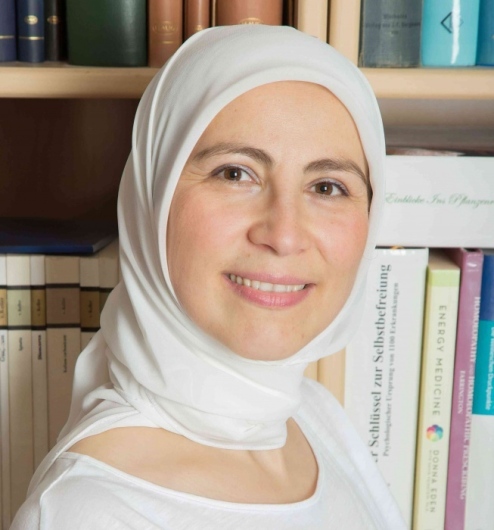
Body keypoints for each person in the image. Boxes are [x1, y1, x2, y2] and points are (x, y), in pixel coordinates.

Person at [12, 25, 406, 529]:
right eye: (235, 173)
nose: (284, 235)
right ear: (152, 199)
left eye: (327, 186)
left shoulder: (316, 417)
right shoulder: (85, 513)